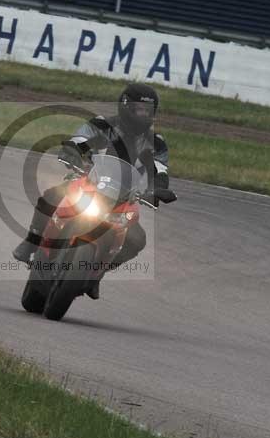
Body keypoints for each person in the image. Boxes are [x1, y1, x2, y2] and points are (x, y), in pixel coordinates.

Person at [12, 83, 170, 299]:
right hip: (89, 182)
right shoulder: (102, 125)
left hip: (125, 197)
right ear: (125, 106)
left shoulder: (156, 143)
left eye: (148, 111)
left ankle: (96, 274)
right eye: (139, 109)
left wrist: (158, 190)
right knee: (51, 196)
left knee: (137, 240)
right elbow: (79, 140)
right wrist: (72, 151)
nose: (143, 115)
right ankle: (31, 242)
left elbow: (160, 170)